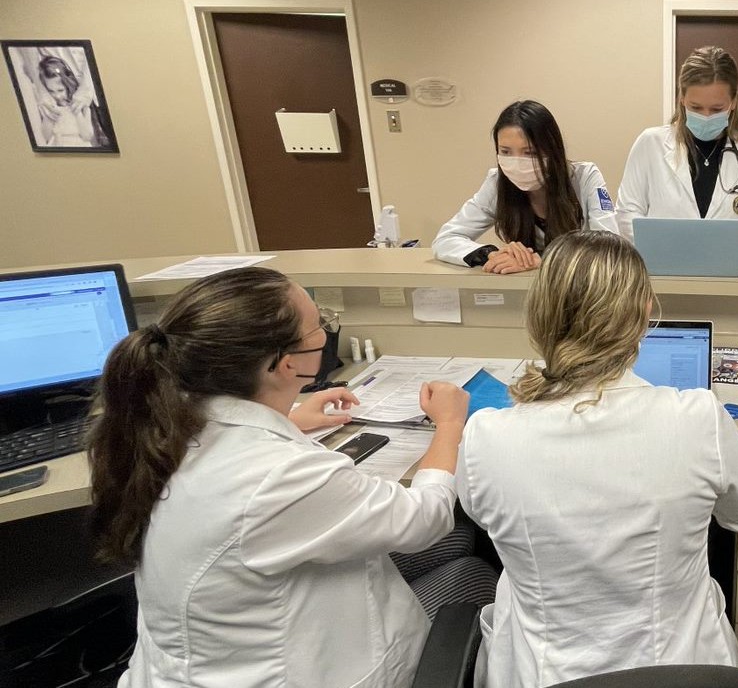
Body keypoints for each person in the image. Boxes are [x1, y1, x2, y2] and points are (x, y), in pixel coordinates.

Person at [88, 267, 482, 688]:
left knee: (459, 539)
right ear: (285, 363)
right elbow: (428, 517)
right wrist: (450, 424)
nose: (325, 334)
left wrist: (289, 416)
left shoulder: (164, 423)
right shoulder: (278, 475)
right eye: (319, 326)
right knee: (470, 569)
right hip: (282, 673)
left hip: (215, 649)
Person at [457, 231, 738, 688]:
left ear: (540, 314)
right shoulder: (699, 418)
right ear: (644, 312)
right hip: (687, 672)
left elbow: (480, 516)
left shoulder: (487, 436)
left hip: (541, 676)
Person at [616, 46, 738, 255]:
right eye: (696, 107)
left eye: (717, 109)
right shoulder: (650, 144)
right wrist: (665, 249)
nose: (706, 116)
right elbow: (627, 213)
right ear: (682, 98)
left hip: (728, 274)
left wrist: (715, 253)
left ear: (733, 102)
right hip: (662, 272)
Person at [433, 100, 618, 273]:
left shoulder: (585, 177)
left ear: (552, 150)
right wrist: (493, 254)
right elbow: (446, 239)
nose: (517, 162)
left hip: (579, 286)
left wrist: (541, 260)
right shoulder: (497, 182)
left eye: (529, 152)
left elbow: (610, 247)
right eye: (506, 152)